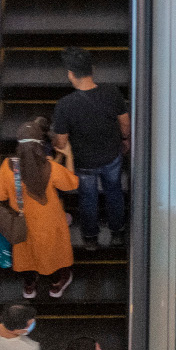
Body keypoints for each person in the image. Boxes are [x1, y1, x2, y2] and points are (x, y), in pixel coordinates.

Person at [51, 47, 129, 251]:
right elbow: (124, 122)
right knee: (114, 192)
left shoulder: (64, 106)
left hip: (84, 163)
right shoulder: (112, 92)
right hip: (112, 156)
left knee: (88, 198)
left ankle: (90, 238)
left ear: (70, 74)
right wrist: (125, 139)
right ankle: (118, 232)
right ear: (92, 69)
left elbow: (60, 142)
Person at [0, 117, 79, 299]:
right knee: (51, 255)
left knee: (26, 255)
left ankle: (29, 287)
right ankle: (56, 285)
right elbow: (72, 184)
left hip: (22, 223)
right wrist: (68, 154)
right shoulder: (49, 167)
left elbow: (0, 195)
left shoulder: (8, 167)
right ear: (40, 144)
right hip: (49, 223)